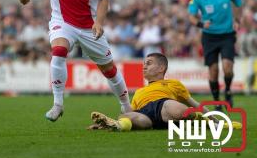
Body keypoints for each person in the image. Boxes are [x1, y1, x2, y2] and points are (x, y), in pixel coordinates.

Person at [18, 0, 131, 121]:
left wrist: (99, 22)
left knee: (109, 70)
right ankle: (58, 104)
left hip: (89, 26)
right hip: (63, 21)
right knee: (59, 52)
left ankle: (126, 106)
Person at [88, 53, 242, 131]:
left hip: (164, 108)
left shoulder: (173, 84)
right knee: (128, 116)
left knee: (172, 106)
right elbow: (133, 112)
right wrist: (116, 121)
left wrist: (218, 120)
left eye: (149, 63)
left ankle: (213, 125)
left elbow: (196, 105)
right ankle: (116, 125)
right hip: (147, 116)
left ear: (162, 68)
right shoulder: (139, 92)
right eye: (143, 64)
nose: (144, 67)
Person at [188, 0, 242, 110]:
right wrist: (200, 24)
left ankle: (229, 91)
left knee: (227, 67)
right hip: (209, 37)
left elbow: (238, 3)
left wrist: (237, 20)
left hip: (227, 35)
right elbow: (191, 16)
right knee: (213, 70)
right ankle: (217, 101)